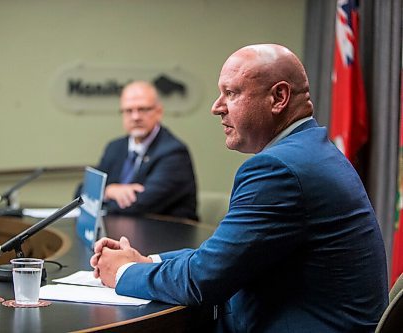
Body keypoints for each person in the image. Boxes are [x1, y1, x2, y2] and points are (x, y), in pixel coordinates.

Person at [90, 44, 388, 332]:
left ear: (279, 97)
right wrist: (146, 261)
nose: (216, 108)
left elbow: (203, 280)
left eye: (230, 93)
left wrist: (122, 272)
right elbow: (223, 256)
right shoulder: (312, 149)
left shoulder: (279, 169)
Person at [83, 80, 197, 221]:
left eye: (143, 109)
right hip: (122, 231)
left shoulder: (174, 152)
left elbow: (138, 206)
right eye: (129, 111)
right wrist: (108, 191)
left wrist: (97, 198)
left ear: (159, 112)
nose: (135, 117)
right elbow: (82, 192)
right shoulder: (115, 147)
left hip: (166, 236)